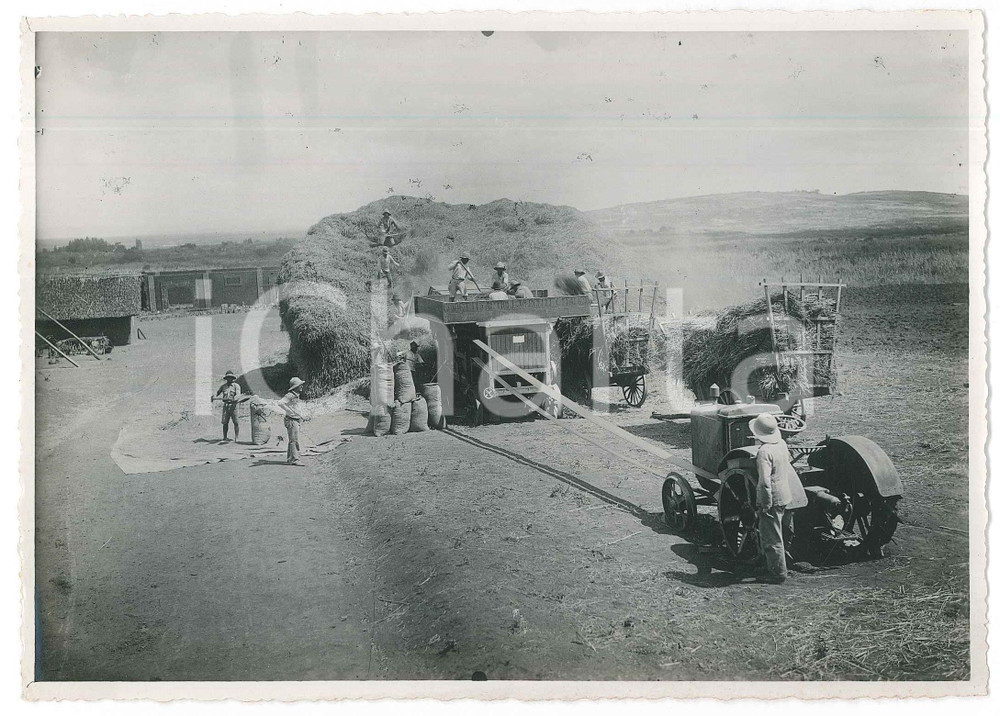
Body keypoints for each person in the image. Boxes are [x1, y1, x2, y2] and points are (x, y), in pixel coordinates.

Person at [750, 412, 808, 584]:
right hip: (786, 495)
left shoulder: (763, 452)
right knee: (783, 531)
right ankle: (778, 563)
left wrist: (766, 504)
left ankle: (778, 574)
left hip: (773, 499)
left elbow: (765, 482)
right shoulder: (782, 444)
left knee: (771, 538)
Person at [277, 377, 306, 466]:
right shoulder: (290, 395)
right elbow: (280, 403)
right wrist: (289, 411)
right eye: (299, 385)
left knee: (292, 440)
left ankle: (290, 458)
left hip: (294, 419)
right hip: (291, 420)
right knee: (294, 440)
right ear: (295, 387)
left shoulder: (296, 395)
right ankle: (295, 459)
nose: (301, 387)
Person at [213, 370, 242, 442]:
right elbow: (217, 393)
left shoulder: (236, 386)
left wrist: (234, 398)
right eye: (228, 378)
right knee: (225, 422)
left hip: (234, 406)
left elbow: (238, 394)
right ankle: (225, 437)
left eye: (230, 377)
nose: (229, 379)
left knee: (236, 422)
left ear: (232, 378)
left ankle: (237, 438)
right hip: (226, 406)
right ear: (226, 378)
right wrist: (213, 396)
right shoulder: (223, 386)